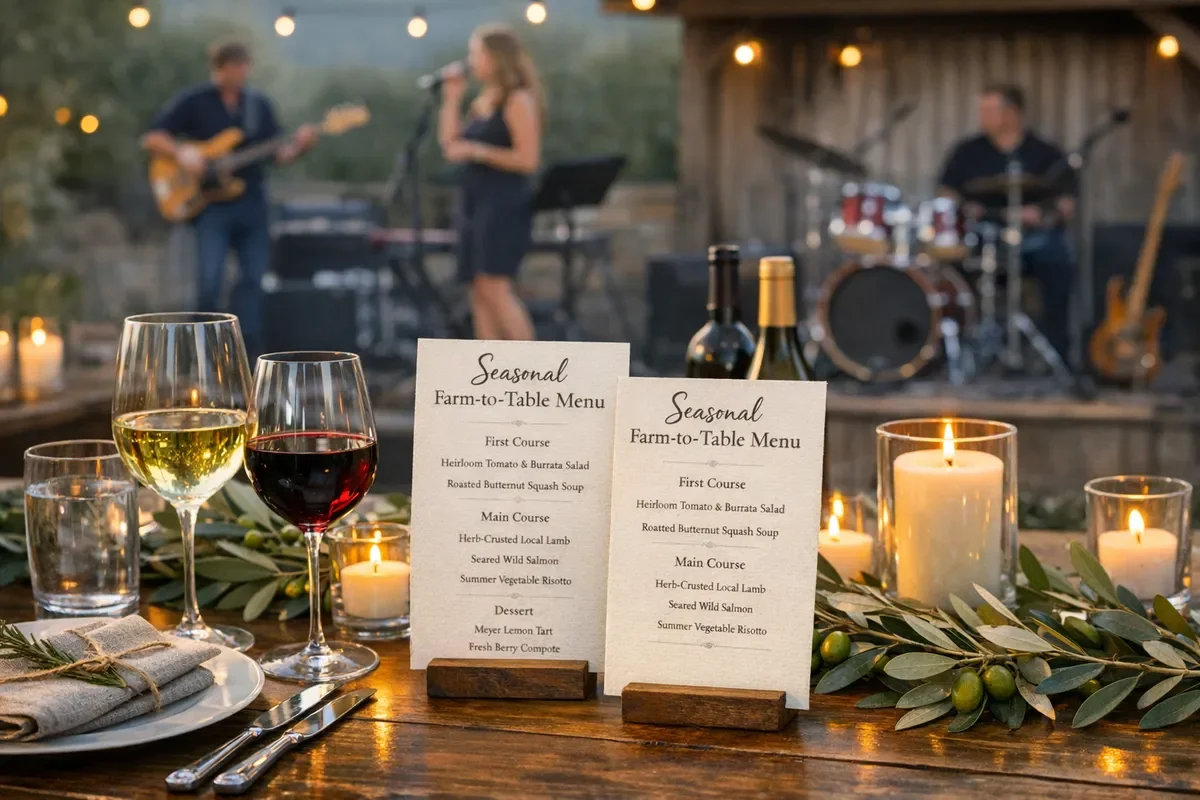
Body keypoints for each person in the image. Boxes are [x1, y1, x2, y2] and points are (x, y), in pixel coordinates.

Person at [141, 39, 317, 357]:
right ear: (219, 69)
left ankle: (246, 358)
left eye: (245, 67)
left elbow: (279, 154)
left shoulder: (257, 105)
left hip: (252, 205)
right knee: (209, 283)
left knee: (253, 280)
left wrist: (302, 145)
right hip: (212, 208)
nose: (241, 73)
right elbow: (153, 137)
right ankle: (198, 357)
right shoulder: (195, 101)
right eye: (235, 67)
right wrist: (183, 152)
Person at [938, 84, 1076, 360]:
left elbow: (1066, 206)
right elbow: (946, 193)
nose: (983, 117)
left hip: (1033, 239)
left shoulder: (1045, 154)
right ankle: (954, 352)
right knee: (946, 266)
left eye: (989, 110)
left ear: (1012, 113)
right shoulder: (968, 152)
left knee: (1059, 262)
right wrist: (965, 209)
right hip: (982, 237)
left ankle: (1057, 353)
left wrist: (1041, 216)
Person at [438, 24, 542, 341]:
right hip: (474, 202)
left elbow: (528, 159)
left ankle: (538, 373)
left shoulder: (518, 100)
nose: (471, 61)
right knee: (478, 291)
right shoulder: (484, 102)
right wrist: (452, 99)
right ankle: (492, 377)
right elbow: (450, 146)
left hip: (503, 204)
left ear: (496, 57)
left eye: (477, 53)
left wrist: (478, 150)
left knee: (496, 287)